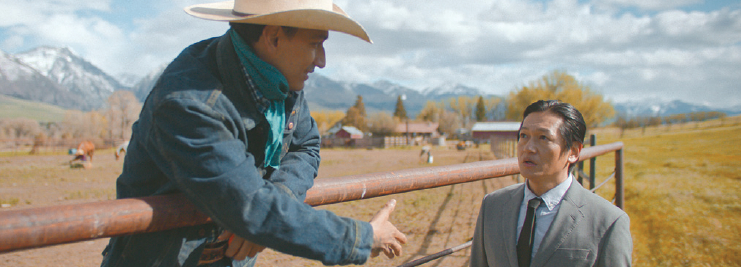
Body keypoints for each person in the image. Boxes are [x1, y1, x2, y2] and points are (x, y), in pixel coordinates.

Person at [100, 1, 407, 266]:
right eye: (315, 43)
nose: (322, 60)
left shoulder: (279, 80)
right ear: (273, 36)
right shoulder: (190, 104)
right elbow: (249, 205)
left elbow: (306, 145)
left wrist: (274, 205)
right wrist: (363, 239)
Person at [470, 100, 632, 267]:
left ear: (574, 151)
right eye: (524, 136)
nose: (528, 148)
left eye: (543, 138)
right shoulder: (492, 205)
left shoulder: (608, 221)